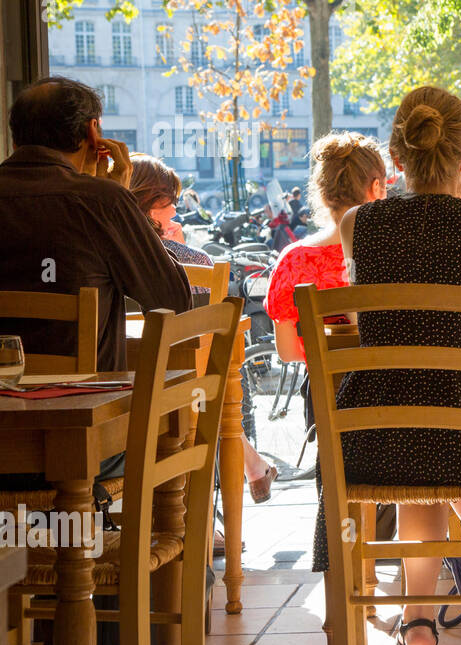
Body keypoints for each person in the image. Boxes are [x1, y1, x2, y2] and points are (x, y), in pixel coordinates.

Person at [314, 86, 461, 645]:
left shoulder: (358, 225)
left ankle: (418, 625)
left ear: (396, 159)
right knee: (444, 430)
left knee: (420, 440)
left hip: (375, 436)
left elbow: (367, 318)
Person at [0, 77, 190, 494]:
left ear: (16, 132)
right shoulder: (100, 201)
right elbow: (174, 301)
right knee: (180, 426)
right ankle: (138, 556)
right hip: (75, 444)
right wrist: (114, 196)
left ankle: (24, 552)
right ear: (93, 132)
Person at [129, 154, 280, 502]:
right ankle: (218, 502)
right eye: (170, 202)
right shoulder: (192, 260)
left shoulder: (107, 251)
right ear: (153, 206)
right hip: (181, 393)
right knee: (216, 392)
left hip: (122, 386)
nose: (177, 209)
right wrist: (181, 248)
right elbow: (207, 329)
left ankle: (252, 470)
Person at [264, 132, 388, 365]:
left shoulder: (293, 260)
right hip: (390, 390)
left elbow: (289, 353)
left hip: (325, 396)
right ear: (376, 187)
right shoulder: (393, 253)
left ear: (322, 192)